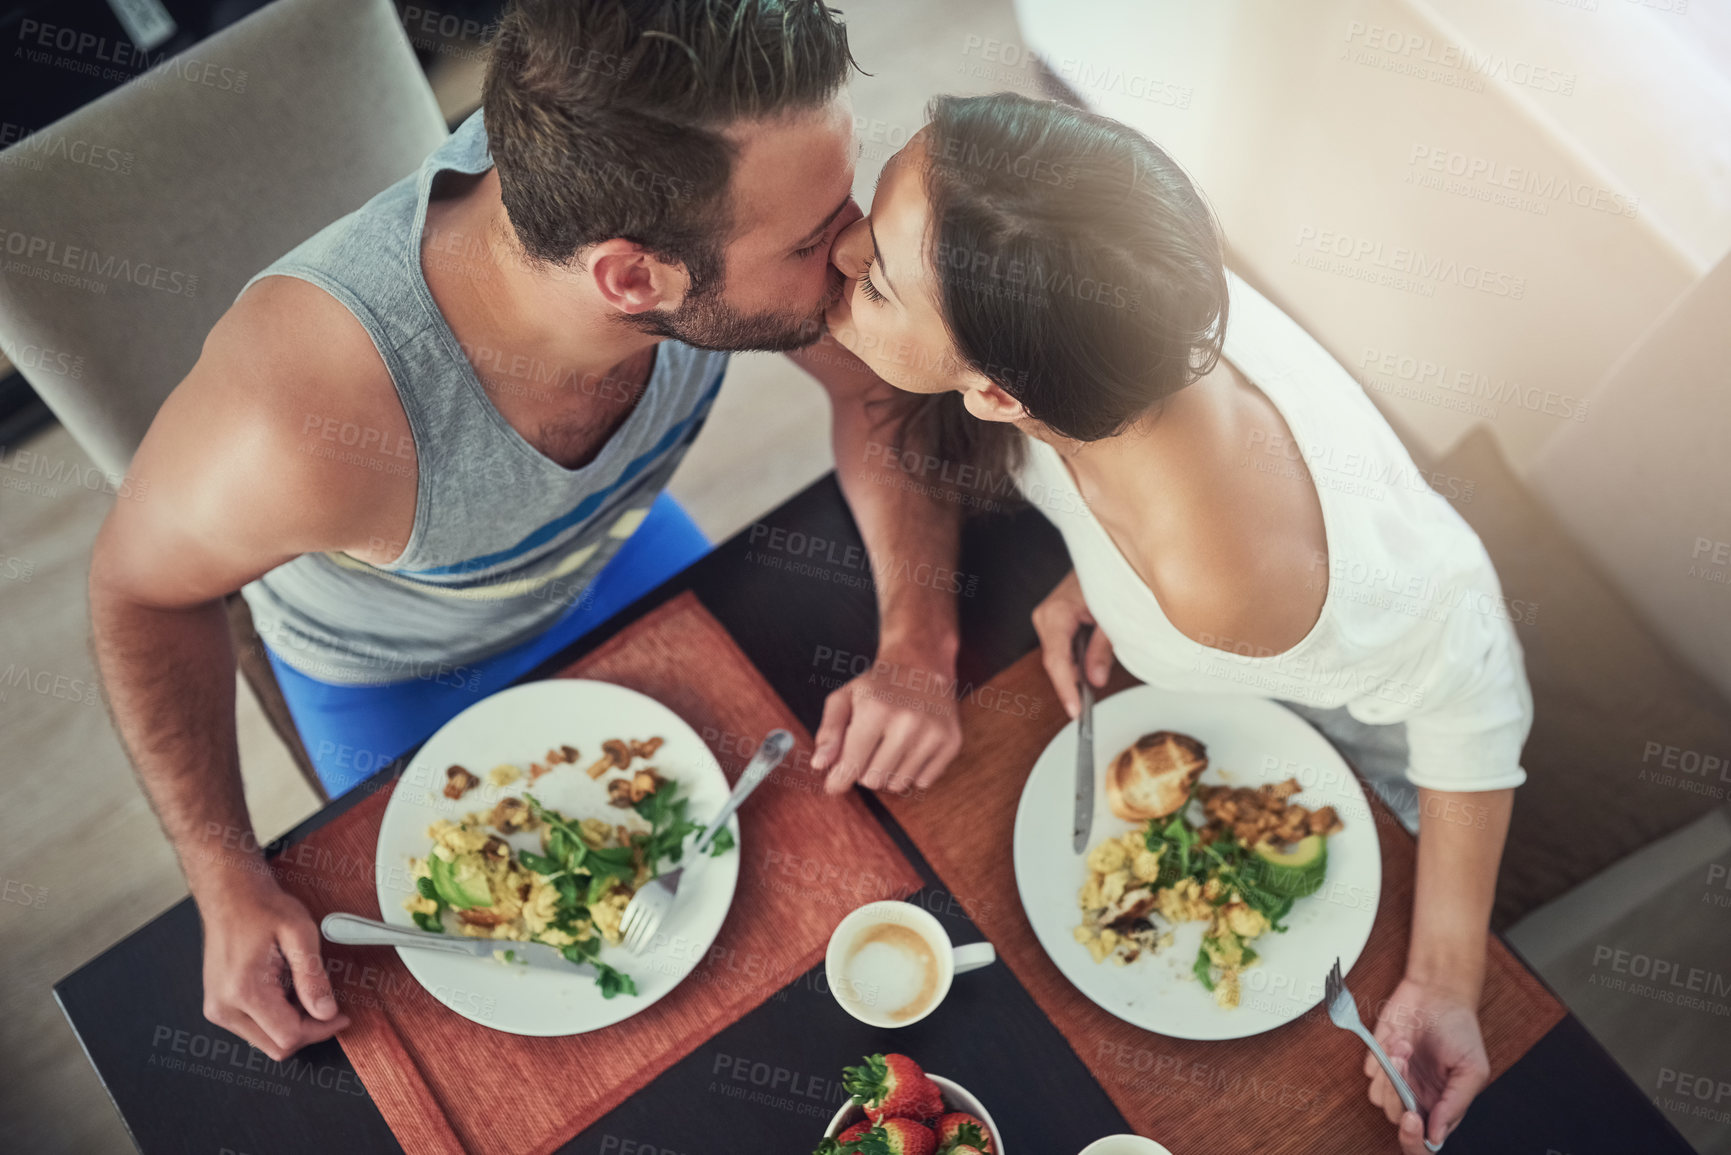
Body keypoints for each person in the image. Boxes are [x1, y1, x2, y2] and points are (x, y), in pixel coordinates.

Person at [88, 0, 967, 1066]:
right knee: (525, 1023)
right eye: (811, 236)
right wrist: (225, 880)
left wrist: (920, 648)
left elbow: (878, 400)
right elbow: (143, 594)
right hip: (397, 668)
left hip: (614, 555)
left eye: (843, 194)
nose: (858, 245)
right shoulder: (303, 414)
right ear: (633, 279)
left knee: (826, 888)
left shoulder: (701, 234)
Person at [823, 91, 1534, 1154]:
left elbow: (1472, 674)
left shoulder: (1227, 580)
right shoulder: (1101, 281)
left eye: (875, 276)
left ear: (1003, 396)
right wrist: (1104, 582)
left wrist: (1446, 976)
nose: (839, 251)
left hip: (1371, 778)